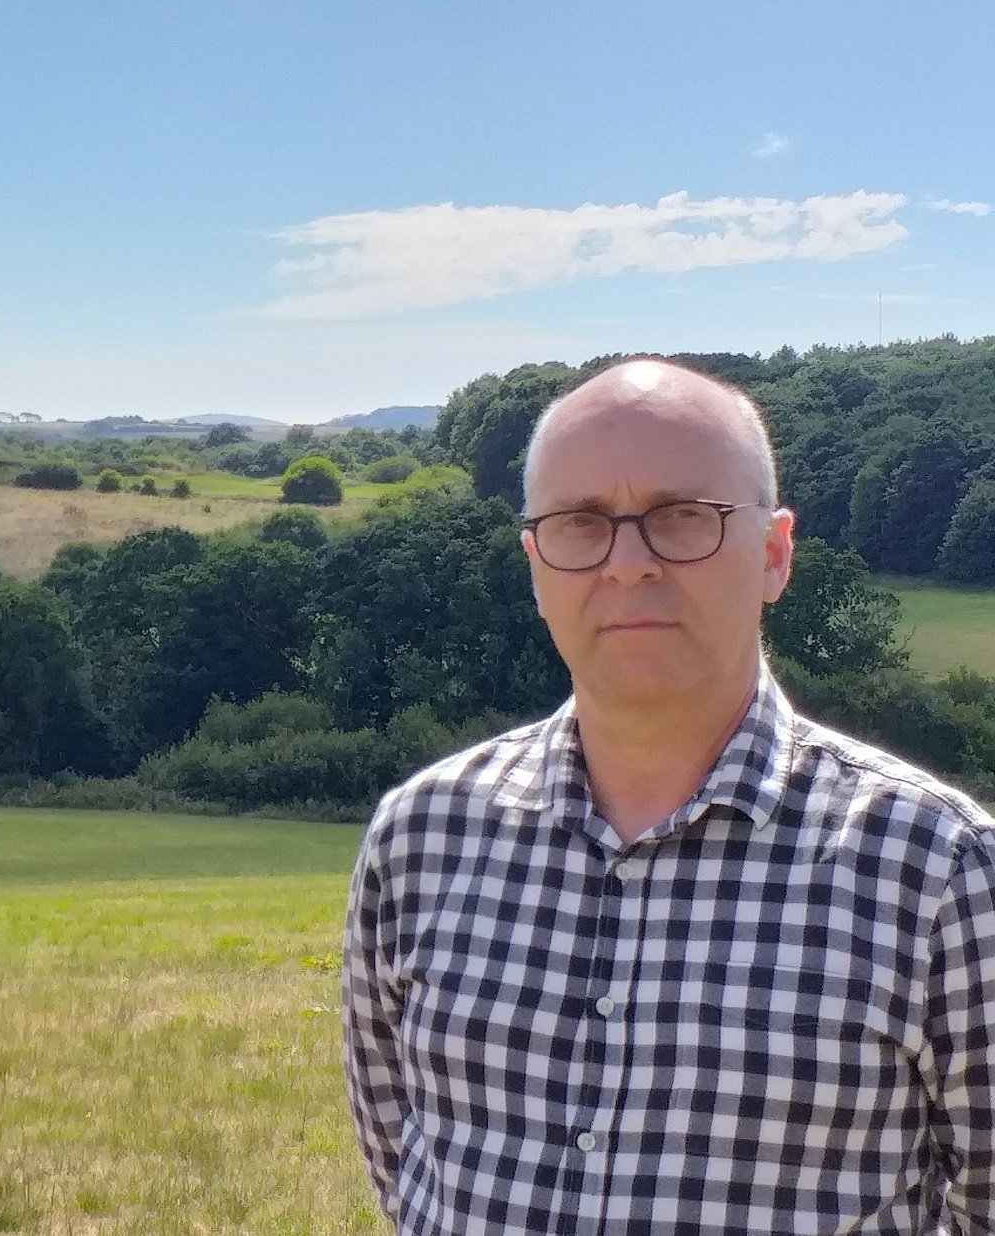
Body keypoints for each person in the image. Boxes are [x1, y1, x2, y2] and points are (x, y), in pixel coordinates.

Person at [342, 358, 995, 1235]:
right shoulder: (419, 838)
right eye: (581, 525)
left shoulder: (939, 872)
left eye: (682, 518)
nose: (627, 565)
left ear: (773, 554)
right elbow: (404, 1163)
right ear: (535, 562)